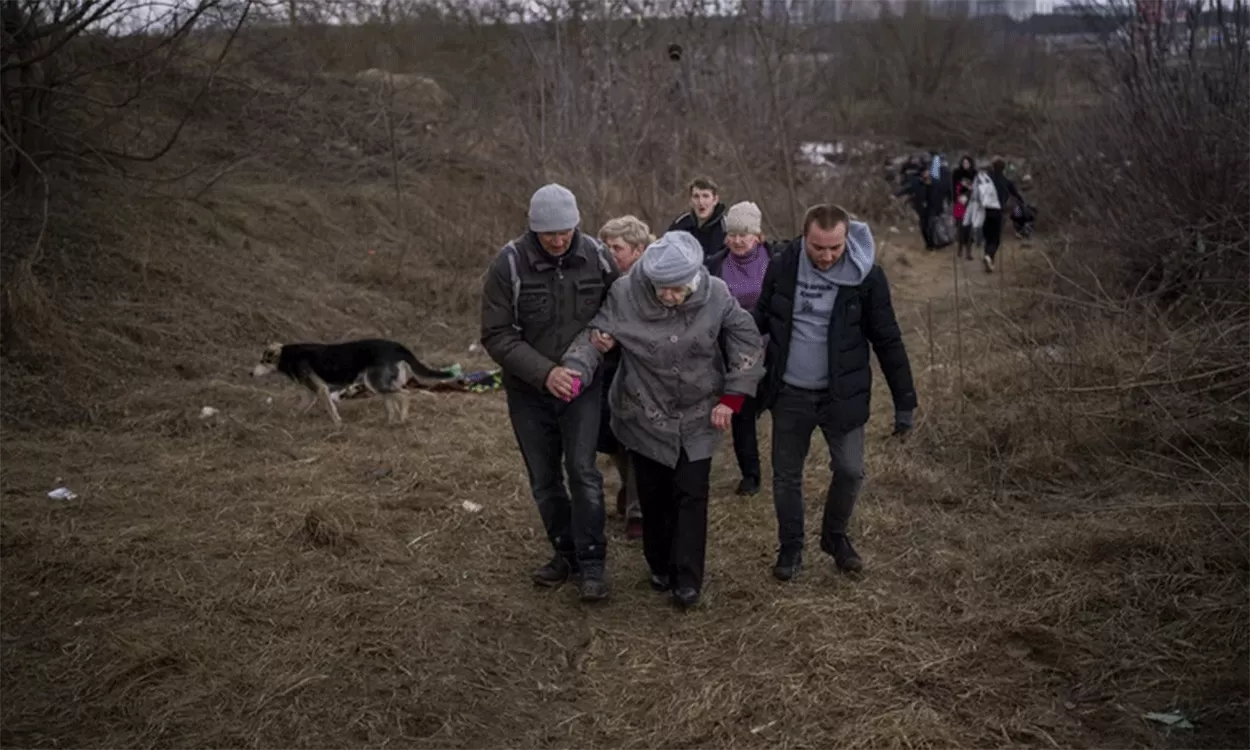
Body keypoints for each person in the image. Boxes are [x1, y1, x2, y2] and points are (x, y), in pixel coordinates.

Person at [562, 231, 765, 608]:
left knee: (692, 493)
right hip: (643, 411)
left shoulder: (717, 293)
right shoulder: (625, 293)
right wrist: (575, 371)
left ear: (693, 280)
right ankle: (659, 564)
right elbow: (595, 336)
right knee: (653, 497)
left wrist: (733, 396)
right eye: (661, 289)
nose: (668, 297)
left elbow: (747, 343)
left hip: (699, 411)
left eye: (676, 290)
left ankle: (688, 579)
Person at [754, 204, 917, 581]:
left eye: (834, 248)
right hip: (790, 391)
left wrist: (904, 401)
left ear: (847, 240)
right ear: (804, 236)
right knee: (786, 475)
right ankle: (791, 547)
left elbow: (888, 340)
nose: (825, 256)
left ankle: (834, 536)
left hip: (842, 393)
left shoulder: (867, 277)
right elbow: (761, 315)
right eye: (817, 247)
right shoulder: (783, 264)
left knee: (850, 470)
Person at [479, 183, 620, 601]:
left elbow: (619, 309)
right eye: (548, 234)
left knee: (583, 471)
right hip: (528, 390)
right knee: (544, 478)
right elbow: (495, 334)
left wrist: (606, 340)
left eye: (565, 232)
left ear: (576, 224)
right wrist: (545, 374)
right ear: (533, 229)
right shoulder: (508, 265)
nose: (558, 241)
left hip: (584, 387)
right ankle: (566, 554)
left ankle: (594, 564)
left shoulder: (597, 256)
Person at [704, 201, 771, 496]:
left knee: (778, 408)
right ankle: (751, 475)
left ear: (758, 235)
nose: (738, 240)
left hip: (771, 345)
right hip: (732, 351)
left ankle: (785, 466)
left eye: (744, 233)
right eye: (732, 234)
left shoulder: (775, 259)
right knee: (742, 413)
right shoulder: (714, 264)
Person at [596, 215, 654, 540]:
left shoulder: (654, 280)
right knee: (615, 438)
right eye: (605, 246)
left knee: (637, 438)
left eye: (616, 247)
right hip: (609, 367)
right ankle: (628, 488)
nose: (609, 253)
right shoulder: (604, 275)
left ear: (638, 250)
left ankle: (638, 510)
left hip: (643, 370)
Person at [981, 157, 1024, 274]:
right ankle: (989, 256)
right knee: (995, 239)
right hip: (998, 212)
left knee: (988, 237)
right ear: (1004, 168)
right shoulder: (1006, 181)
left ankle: (988, 259)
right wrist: (1022, 202)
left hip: (985, 211)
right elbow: (1016, 194)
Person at [669, 176, 727, 258]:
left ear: (715, 200)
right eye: (696, 196)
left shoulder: (725, 228)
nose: (701, 202)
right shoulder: (680, 224)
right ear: (691, 201)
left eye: (705, 196)